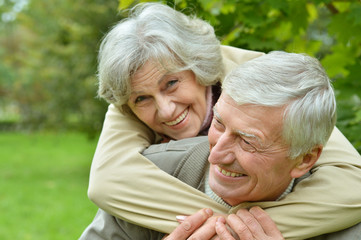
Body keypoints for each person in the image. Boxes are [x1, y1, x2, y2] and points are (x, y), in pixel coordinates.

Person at [86, 2, 361, 239]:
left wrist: (239, 229)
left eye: (171, 83)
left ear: (200, 66)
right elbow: (106, 183)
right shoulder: (154, 162)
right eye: (141, 99)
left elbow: (353, 185)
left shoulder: (275, 90)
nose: (167, 110)